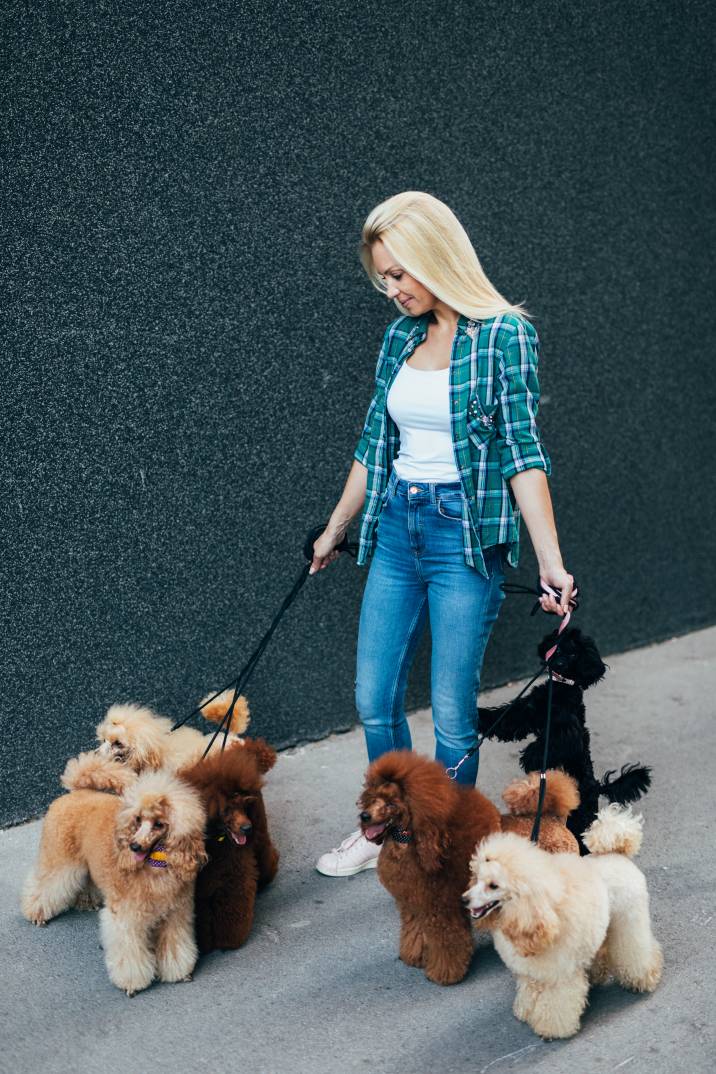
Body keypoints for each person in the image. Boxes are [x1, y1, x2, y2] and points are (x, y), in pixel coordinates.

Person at [311, 191, 574, 877]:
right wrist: (337, 528)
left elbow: (523, 452)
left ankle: (452, 849)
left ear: (437, 257)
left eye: (400, 273)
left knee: (453, 715)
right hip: (398, 529)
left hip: (463, 540)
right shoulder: (400, 338)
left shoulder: (504, 336)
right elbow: (375, 442)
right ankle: (389, 833)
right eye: (384, 278)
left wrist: (551, 561)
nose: (391, 290)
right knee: (374, 696)